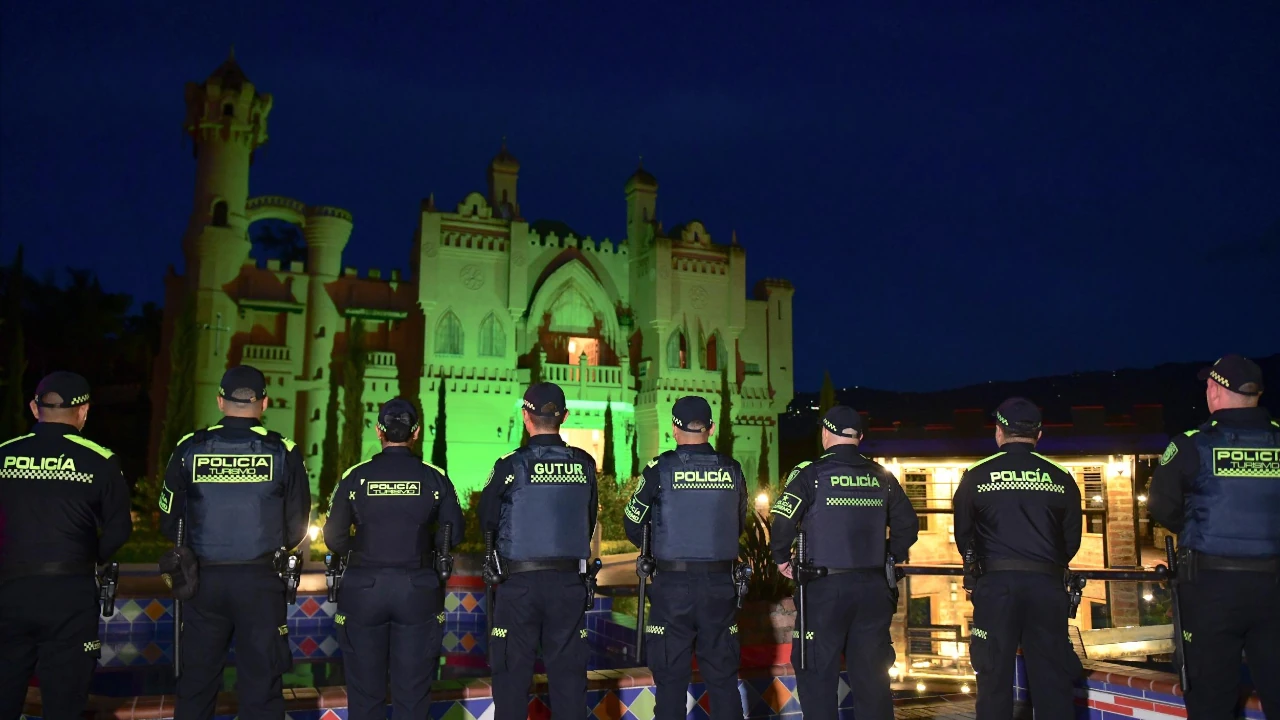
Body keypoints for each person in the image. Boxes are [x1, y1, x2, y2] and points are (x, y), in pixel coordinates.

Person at [158, 365, 311, 720]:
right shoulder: (283, 451)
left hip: (201, 582)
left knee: (196, 685)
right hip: (260, 584)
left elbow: (169, 519)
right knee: (261, 687)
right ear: (264, 403)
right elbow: (297, 526)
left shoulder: (189, 448)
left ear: (220, 401)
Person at [1148, 355, 1278, 717]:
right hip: (1274, 587)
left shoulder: (1190, 445)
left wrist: (1198, 530)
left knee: (1210, 701)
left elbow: (1162, 505)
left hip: (1210, 589)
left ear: (1214, 391)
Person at [769, 405, 919, 720]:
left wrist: (782, 558)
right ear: (860, 437)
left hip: (825, 590)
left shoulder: (810, 473)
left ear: (825, 433)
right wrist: (888, 555)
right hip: (874, 591)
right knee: (873, 679)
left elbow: (782, 519)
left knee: (816, 675)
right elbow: (908, 524)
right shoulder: (882, 475)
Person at [0, 372, 132, 720]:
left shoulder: (4, 454)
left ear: (34, 407)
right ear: (83, 411)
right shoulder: (100, 459)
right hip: (68, 595)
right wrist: (90, 558)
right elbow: (120, 529)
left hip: (8, 593)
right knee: (65, 702)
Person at [322, 398, 464, 720]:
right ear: (415, 433)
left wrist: (367, 545)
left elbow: (334, 537)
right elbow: (452, 534)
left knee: (364, 694)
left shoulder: (355, 476)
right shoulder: (434, 477)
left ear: (379, 431)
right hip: (417, 589)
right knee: (413, 695)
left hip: (363, 591)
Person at [951, 397, 1082, 720]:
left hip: (995, 588)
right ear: (1039, 434)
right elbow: (1072, 541)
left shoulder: (977, 475)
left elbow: (963, 534)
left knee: (993, 680)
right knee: (1052, 682)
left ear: (999, 432)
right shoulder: (1061, 477)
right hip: (1047, 588)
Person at [623, 395, 749, 720]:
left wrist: (655, 547)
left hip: (672, 589)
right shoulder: (732, 470)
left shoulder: (659, 469)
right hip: (721, 586)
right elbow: (738, 523)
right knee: (723, 682)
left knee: (670, 683)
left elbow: (633, 522)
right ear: (711, 428)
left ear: (674, 429)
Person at [478, 382, 598, 720]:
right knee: (570, 683)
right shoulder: (584, 464)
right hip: (568, 586)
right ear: (565, 417)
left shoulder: (510, 465)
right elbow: (587, 521)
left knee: (511, 682)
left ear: (525, 416)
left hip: (520, 586)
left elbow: (486, 518)